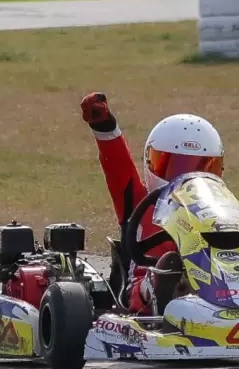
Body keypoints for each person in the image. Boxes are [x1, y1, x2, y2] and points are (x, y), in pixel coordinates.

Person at [80, 92, 225, 315]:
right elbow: (118, 166)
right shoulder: (139, 200)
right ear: (152, 162)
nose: (186, 176)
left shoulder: (218, 208)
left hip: (210, 281)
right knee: (167, 266)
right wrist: (105, 126)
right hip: (142, 290)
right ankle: (161, 287)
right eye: (175, 166)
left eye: (200, 166)